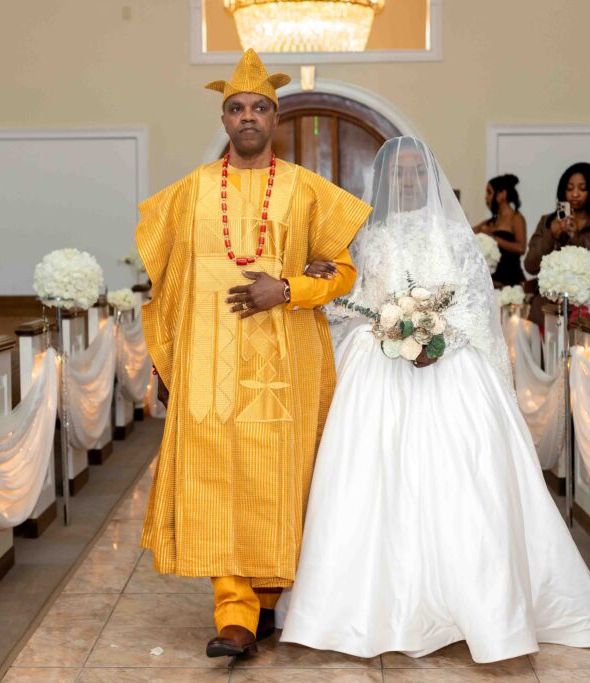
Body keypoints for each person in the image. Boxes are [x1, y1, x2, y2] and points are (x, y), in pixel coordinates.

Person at [276, 137, 590, 662]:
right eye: (400, 174)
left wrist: (437, 337)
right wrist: (388, 330)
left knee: (465, 479)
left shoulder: (456, 237)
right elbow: (354, 304)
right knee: (367, 480)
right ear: (385, 181)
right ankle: (359, 608)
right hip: (379, 364)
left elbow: (476, 304)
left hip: (451, 364)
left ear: (430, 178)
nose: (409, 181)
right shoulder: (368, 238)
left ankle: (481, 604)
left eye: (418, 172)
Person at [135, 49, 371, 658]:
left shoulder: (306, 189)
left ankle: (267, 601)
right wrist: (169, 363)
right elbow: (168, 286)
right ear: (224, 119)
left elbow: (345, 274)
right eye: (236, 108)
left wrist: (288, 287)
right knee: (216, 483)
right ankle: (234, 612)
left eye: (259, 108)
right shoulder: (189, 193)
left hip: (284, 365)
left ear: (275, 118)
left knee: (279, 482)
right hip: (209, 367)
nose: (248, 118)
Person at [524, 163, 590, 326]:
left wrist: (576, 236)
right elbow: (530, 265)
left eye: (582, 188)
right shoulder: (548, 222)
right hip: (552, 307)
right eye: (569, 188)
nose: (575, 194)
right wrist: (551, 236)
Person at [473, 174, 525, 286]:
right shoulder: (489, 222)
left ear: (502, 194)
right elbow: (468, 232)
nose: (486, 197)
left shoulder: (516, 218)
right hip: (491, 282)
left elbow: (521, 248)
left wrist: (493, 238)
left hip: (511, 282)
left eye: (489, 192)